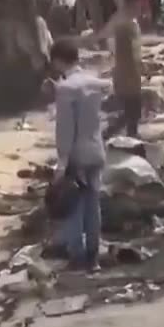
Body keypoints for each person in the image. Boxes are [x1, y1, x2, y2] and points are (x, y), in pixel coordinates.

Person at [49, 39, 109, 272]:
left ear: (58, 60)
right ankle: (94, 257)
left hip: (78, 156)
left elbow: (65, 129)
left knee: (75, 206)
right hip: (97, 150)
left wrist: (61, 164)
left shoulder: (66, 88)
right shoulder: (95, 82)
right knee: (93, 206)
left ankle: (78, 255)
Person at [76, 0, 144, 137]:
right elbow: (125, 52)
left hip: (128, 72)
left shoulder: (126, 21)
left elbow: (104, 35)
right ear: (129, 5)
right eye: (137, 6)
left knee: (131, 112)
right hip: (127, 72)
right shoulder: (123, 24)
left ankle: (118, 135)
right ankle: (110, 135)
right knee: (132, 111)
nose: (139, 9)